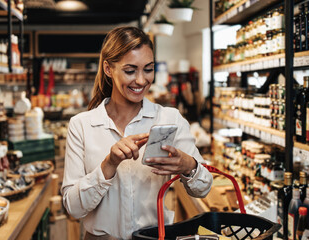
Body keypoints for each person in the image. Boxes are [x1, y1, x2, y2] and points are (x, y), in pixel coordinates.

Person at [61, 26, 213, 240]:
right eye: (130, 71)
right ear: (108, 69)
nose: (141, 80)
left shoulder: (169, 119)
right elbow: (73, 208)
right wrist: (109, 165)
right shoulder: (82, 125)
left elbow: (204, 188)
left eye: (148, 69)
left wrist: (189, 166)